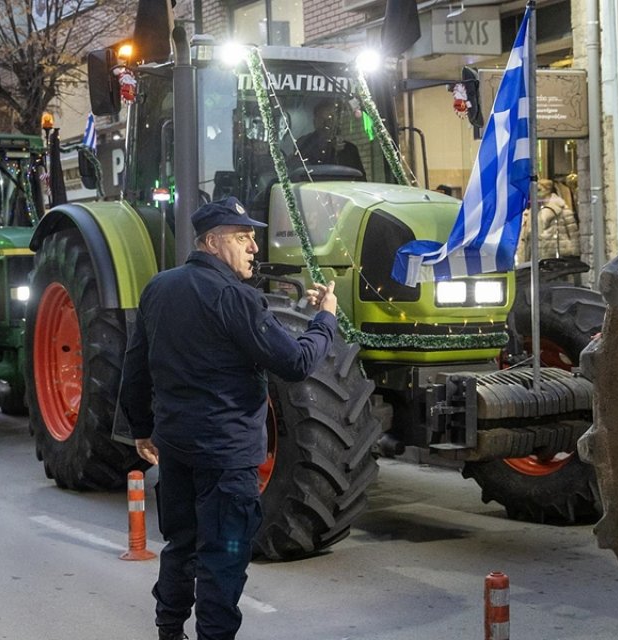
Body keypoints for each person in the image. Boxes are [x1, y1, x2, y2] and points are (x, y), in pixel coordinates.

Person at [120, 196, 339, 640]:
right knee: (223, 557)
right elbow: (295, 363)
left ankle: (169, 630)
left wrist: (141, 427)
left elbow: (136, 363)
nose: (254, 247)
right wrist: (325, 320)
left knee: (181, 545)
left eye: (252, 238)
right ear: (213, 242)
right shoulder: (236, 299)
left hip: (176, 451)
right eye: (243, 238)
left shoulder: (159, 288)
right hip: (227, 457)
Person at [292, 101, 365, 176]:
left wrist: (339, 152)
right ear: (314, 121)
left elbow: (360, 180)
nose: (326, 124)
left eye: (330, 119)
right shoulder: (303, 143)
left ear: (336, 122)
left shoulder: (350, 149)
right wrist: (328, 146)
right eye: (321, 119)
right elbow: (298, 173)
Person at [516, 179, 580, 262]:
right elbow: (525, 238)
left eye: (539, 190)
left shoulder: (562, 211)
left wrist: (575, 254)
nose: (537, 194)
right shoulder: (531, 213)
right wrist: (522, 257)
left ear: (548, 190)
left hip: (557, 256)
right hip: (536, 257)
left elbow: (573, 233)